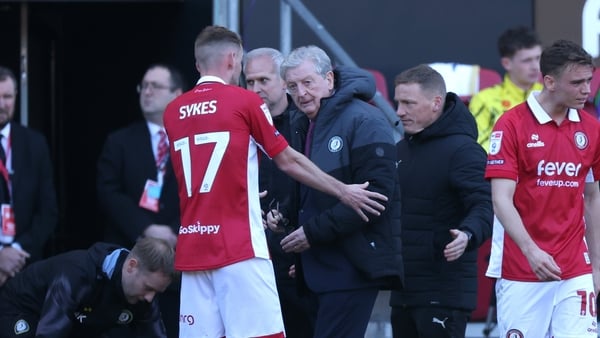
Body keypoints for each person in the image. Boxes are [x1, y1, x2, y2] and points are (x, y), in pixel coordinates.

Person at [163, 26, 388, 338]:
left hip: (193, 247)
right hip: (239, 246)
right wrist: (343, 190)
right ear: (232, 59)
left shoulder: (173, 111)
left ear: (198, 64)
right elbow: (288, 160)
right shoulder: (244, 101)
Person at [275, 45, 403, 338]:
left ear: (329, 79)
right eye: (292, 86)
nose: (301, 93)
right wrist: (284, 215)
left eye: (308, 82)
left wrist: (311, 233)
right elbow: (309, 194)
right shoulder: (301, 122)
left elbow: (376, 197)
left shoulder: (365, 120)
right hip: (314, 270)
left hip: (350, 269)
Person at [485, 39, 600, 337]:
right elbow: (501, 200)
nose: (587, 89)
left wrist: (597, 266)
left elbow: (591, 197)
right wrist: (531, 251)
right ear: (549, 81)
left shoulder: (592, 128)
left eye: (589, 80)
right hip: (522, 268)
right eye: (577, 82)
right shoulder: (511, 124)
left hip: (576, 267)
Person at [389, 64, 493, 338]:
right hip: (403, 292)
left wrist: (468, 234)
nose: (400, 111)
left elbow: (485, 205)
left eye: (409, 103)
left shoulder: (464, 151)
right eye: (398, 102)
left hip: (445, 292)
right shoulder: (400, 150)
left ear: (436, 103)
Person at [96, 63, 185, 338]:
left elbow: (201, 191)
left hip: (177, 261)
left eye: (155, 86)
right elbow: (108, 192)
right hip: (130, 261)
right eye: (143, 86)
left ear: (177, 94)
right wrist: (147, 229)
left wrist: (175, 230)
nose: (147, 92)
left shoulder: (191, 139)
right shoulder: (120, 141)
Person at [243, 47, 318, 338]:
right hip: (254, 259)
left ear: (284, 81)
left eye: (263, 80)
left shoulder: (307, 122)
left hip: (297, 257)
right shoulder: (239, 124)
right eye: (249, 82)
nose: (255, 88)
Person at [0, 236, 176, 338]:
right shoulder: (76, 275)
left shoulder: (144, 293)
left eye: (156, 292)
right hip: (21, 311)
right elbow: (49, 333)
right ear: (131, 266)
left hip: (71, 324)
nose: (150, 298)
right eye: (148, 288)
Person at [0, 66, 58, 287]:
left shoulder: (35, 143)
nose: (1, 104)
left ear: (15, 96)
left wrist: (14, 252)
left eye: (6, 96)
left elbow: (48, 211)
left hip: (25, 265)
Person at [469, 26, 543, 151]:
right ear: (506, 63)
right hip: (503, 167)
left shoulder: (552, 95)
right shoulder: (484, 100)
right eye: (527, 60)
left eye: (538, 58)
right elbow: (478, 147)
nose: (535, 66)